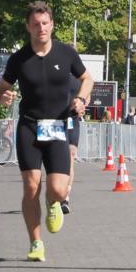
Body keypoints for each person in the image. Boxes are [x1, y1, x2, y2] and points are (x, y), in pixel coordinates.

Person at [0, 1, 93, 263]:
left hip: (57, 127)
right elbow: (2, 87)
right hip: (28, 125)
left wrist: (82, 100)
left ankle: (54, 204)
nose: (41, 28)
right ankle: (36, 243)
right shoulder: (19, 58)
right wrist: (3, 96)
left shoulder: (66, 54)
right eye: (36, 24)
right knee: (30, 187)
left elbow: (88, 79)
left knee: (59, 190)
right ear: (28, 26)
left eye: (45, 23)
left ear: (52, 25)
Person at [63, 75, 81, 215]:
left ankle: (66, 197)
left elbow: (87, 96)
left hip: (72, 120)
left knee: (71, 154)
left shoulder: (81, 77)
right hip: (54, 120)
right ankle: (54, 192)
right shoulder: (54, 70)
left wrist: (82, 103)